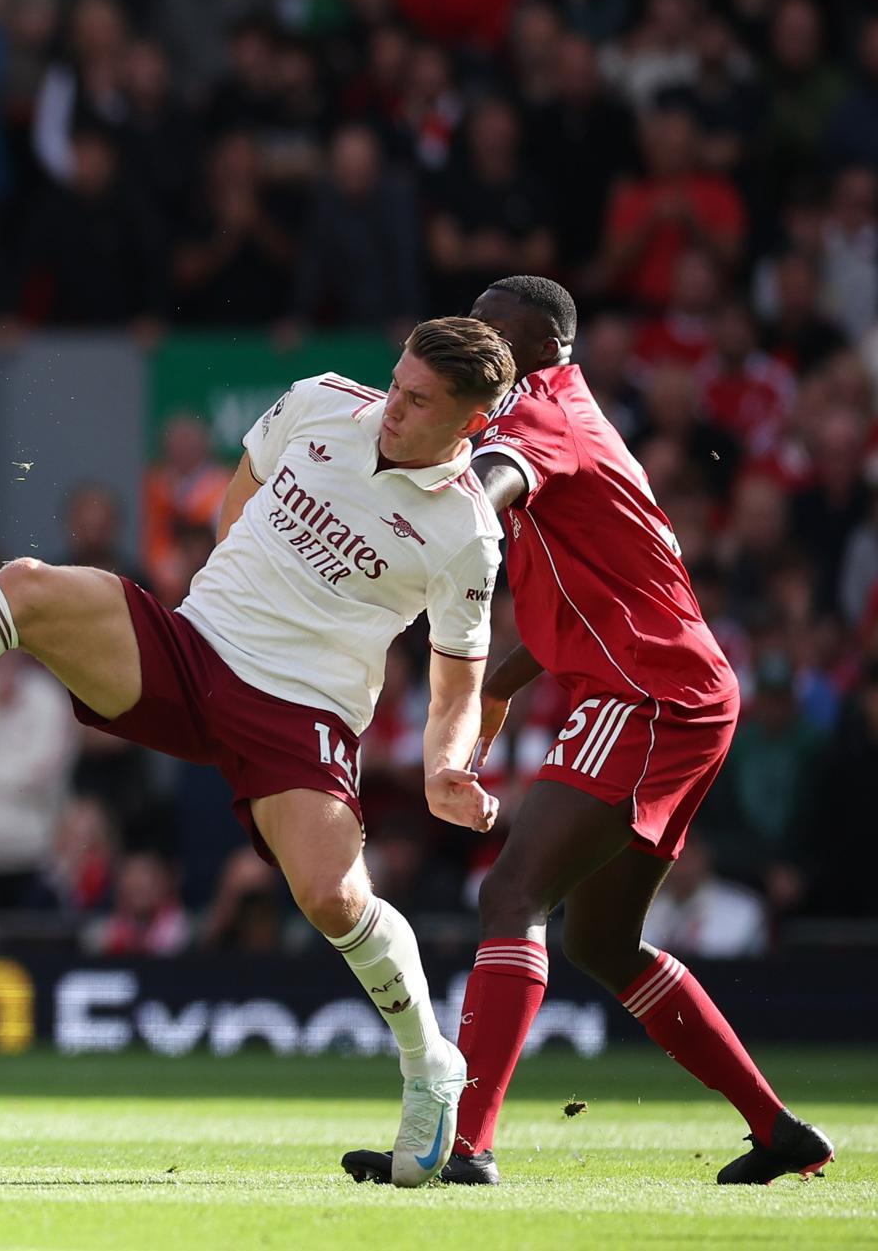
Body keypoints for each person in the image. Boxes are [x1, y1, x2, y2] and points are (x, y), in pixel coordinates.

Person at [0, 319, 514, 1187]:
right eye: (397, 383)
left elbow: (456, 684)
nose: (393, 408)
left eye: (418, 402)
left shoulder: (467, 534)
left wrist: (451, 765)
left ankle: (428, 1063)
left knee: (332, 898)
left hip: (303, 709)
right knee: (25, 586)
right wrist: (235, 595)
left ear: (469, 422)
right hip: (194, 647)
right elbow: (240, 498)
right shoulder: (325, 400)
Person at [342, 277, 833, 1188]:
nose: (471, 339)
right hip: (673, 690)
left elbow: (497, 485)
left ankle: (466, 1145)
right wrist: (494, 690)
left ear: (525, 345)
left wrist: (440, 528)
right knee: (601, 944)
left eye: (487, 328)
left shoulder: (544, 420)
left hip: (647, 698)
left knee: (511, 895)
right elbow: (577, 600)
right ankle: (778, 1130)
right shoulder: (566, 419)